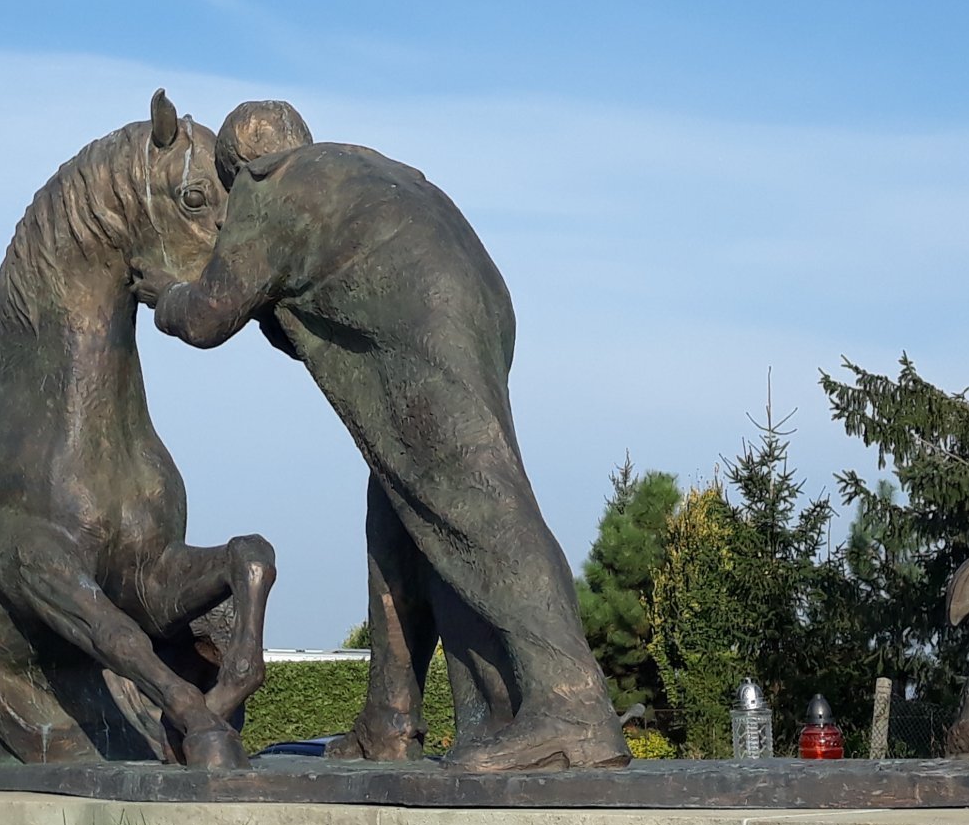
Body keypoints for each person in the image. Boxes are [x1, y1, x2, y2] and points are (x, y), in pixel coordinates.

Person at [143, 101, 628, 772]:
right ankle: (389, 718)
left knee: (481, 504)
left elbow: (207, 317)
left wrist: (165, 294)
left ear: (237, 165)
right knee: (398, 524)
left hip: (423, 327)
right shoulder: (364, 171)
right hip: (471, 310)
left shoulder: (266, 187)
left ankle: (572, 710)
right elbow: (321, 311)